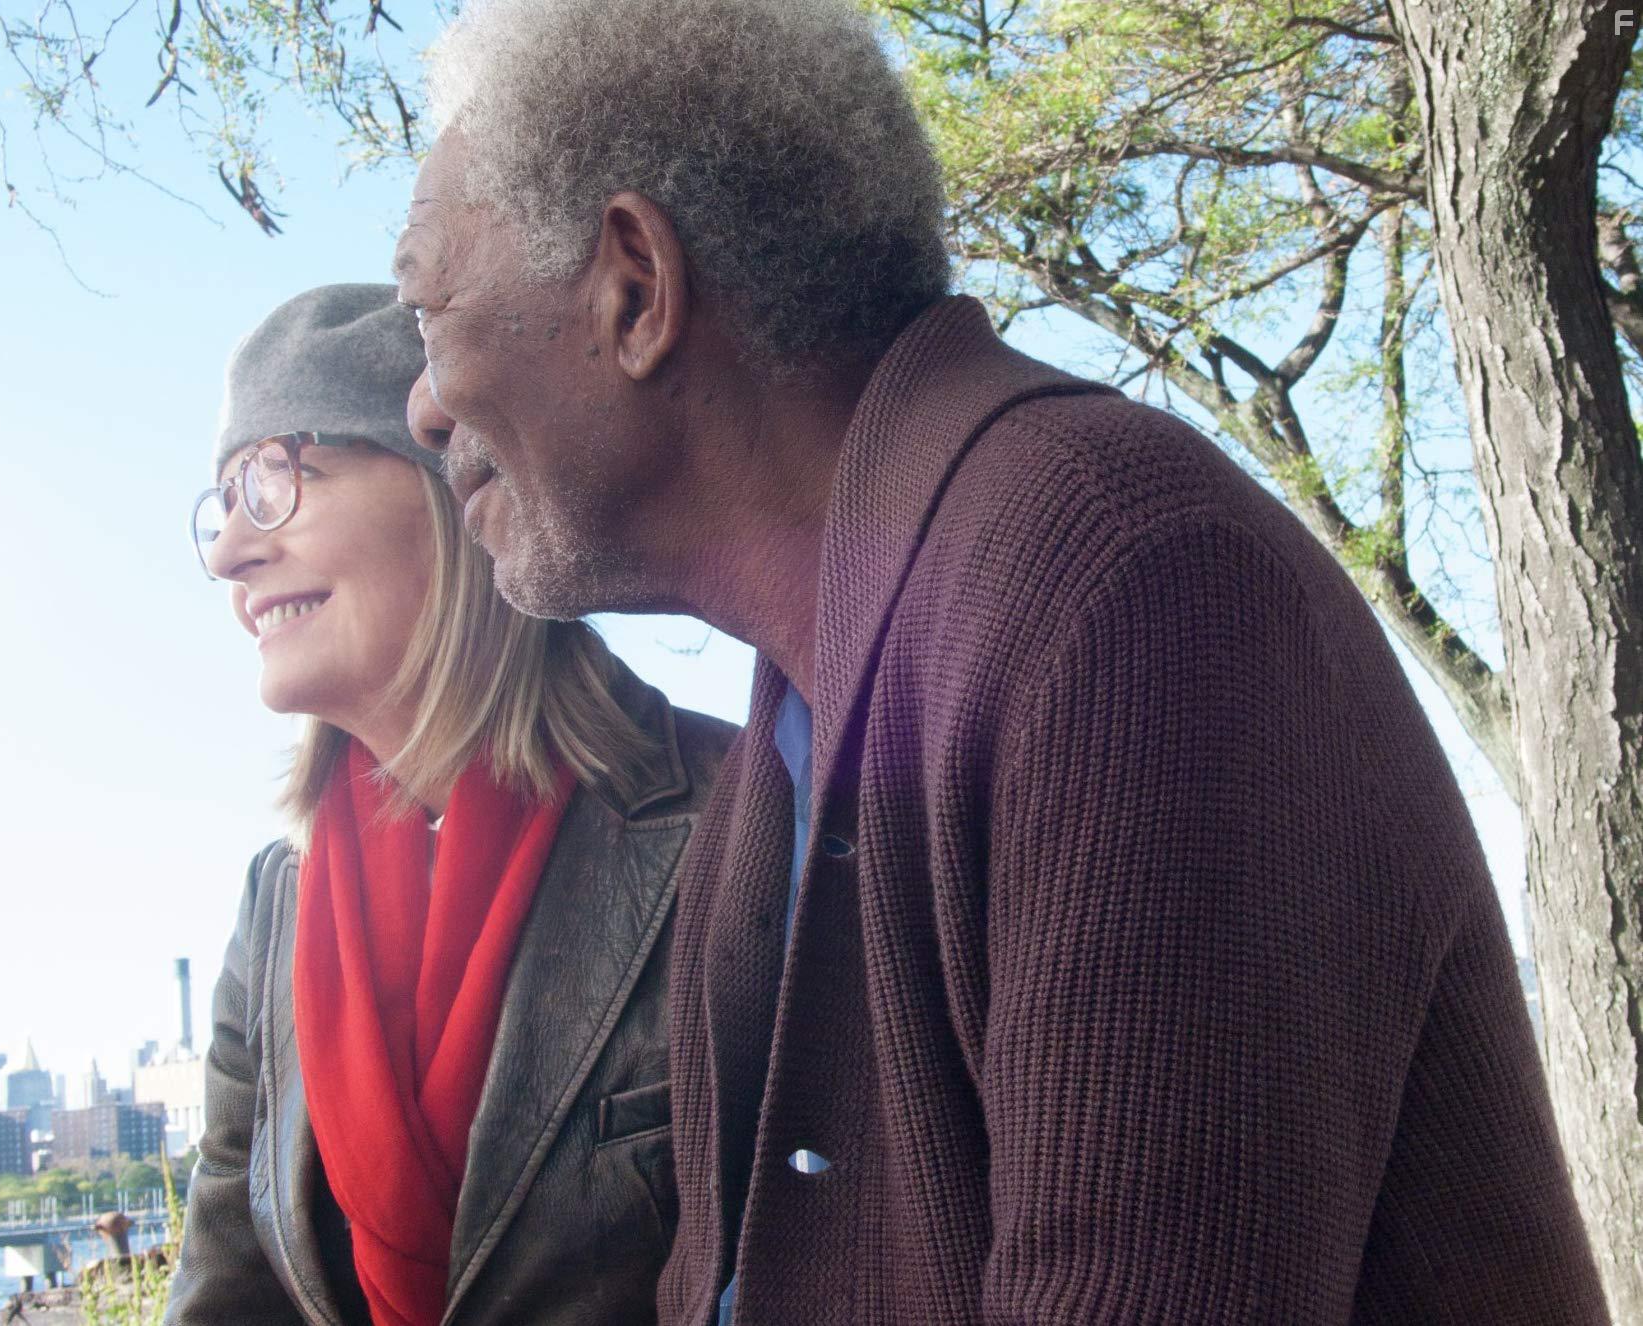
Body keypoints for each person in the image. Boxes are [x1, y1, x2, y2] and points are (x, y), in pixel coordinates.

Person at [393, 2, 1613, 1323]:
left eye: (428, 308)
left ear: (633, 284)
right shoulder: (792, 735)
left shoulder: (1124, 578)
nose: (419, 402)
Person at [165, 283, 734, 1326]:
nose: (228, 554)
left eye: (276, 483)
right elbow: (231, 1294)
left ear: (454, 483)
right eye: (222, 503)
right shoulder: (277, 904)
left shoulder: (737, 823)